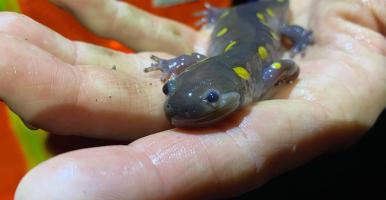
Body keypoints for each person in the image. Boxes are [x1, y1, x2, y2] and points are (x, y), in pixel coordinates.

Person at [0, 0, 383, 199]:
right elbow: (193, 61)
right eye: (172, 91)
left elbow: (283, 67)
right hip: (237, 16)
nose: (173, 107)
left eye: (213, 100)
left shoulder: (258, 79)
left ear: (236, 92)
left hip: (265, 16)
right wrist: (171, 70)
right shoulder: (208, 69)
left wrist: (299, 45)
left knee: (279, 26)